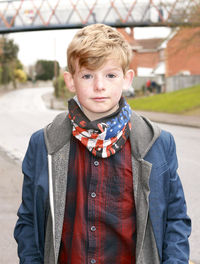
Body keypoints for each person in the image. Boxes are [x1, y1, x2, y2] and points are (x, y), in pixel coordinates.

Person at [14, 24, 191, 264]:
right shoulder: (44, 143)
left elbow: (175, 219)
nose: (99, 86)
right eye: (87, 75)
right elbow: (28, 223)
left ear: (127, 79)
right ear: (70, 80)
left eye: (110, 75)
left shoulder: (157, 143)